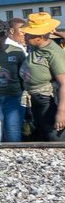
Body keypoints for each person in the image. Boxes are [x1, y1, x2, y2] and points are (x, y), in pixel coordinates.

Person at [21, 12, 65, 141]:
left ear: (39, 36)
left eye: (28, 34)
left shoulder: (53, 53)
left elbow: (64, 83)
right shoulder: (36, 48)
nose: (25, 35)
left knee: (54, 137)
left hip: (49, 101)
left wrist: (62, 112)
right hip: (36, 100)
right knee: (41, 135)